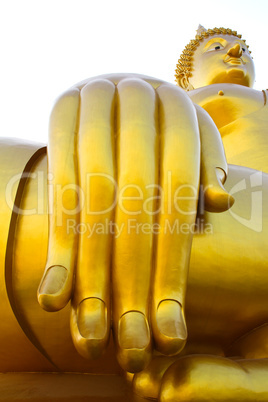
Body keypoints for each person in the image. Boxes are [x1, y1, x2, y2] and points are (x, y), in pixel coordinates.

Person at [0, 26, 268, 401]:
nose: (236, 52)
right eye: (216, 47)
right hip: (175, 202)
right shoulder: (176, 102)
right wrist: (114, 93)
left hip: (238, 211)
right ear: (188, 74)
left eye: (245, 47)